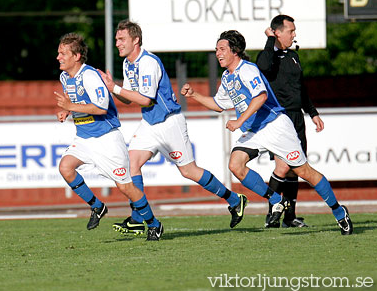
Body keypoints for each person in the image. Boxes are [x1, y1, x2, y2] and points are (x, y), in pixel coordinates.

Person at [180, 30, 352, 235]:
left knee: (304, 172)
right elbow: (218, 104)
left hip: (275, 127)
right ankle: (277, 200)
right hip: (256, 130)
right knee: (235, 165)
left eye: (222, 49)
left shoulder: (248, 70)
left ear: (235, 51)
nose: (218, 53)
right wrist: (194, 95)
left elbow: (260, 97)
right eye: (217, 49)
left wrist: (239, 121)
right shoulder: (227, 77)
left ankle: (339, 212)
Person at [98, 20, 248, 233]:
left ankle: (234, 200)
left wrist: (116, 88)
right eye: (116, 40)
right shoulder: (128, 64)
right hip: (150, 123)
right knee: (131, 164)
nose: (117, 44)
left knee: (189, 171)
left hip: (169, 123)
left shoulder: (148, 62)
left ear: (136, 40)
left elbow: (146, 99)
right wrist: (113, 90)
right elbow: (131, 99)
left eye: (122, 39)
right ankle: (139, 217)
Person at [54, 32, 163, 241]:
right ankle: (97, 206)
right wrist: (66, 111)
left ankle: (154, 224)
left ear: (76, 56)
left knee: (125, 187)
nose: (58, 57)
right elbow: (72, 100)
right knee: (65, 167)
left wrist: (70, 106)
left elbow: (102, 107)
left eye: (63, 53)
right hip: (84, 138)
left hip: (106, 139)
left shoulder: (89, 75)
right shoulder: (64, 77)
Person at [256, 14, 324, 228]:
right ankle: (272, 214)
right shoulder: (268, 55)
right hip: (278, 119)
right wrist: (269, 39)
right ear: (277, 32)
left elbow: (301, 88)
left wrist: (312, 112)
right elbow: (263, 68)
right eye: (290, 31)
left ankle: (289, 216)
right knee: (283, 166)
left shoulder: (294, 56)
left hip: (297, 117)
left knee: (295, 167)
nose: (294, 34)